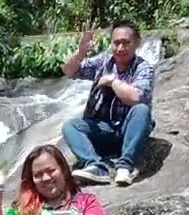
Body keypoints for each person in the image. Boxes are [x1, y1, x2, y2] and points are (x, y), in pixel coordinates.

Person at [60, 19, 156, 187]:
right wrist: (81, 51)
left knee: (141, 110)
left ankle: (125, 166)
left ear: (137, 44)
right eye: (116, 43)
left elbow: (135, 97)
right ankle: (96, 166)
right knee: (70, 126)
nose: (120, 48)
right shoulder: (104, 61)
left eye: (126, 43)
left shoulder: (143, 68)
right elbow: (68, 70)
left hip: (128, 131)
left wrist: (112, 81)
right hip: (103, 130)